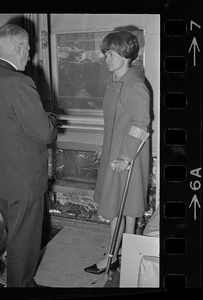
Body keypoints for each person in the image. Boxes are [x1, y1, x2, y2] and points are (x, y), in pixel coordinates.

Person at [0, 24, 58, 287]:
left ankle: (23, 281)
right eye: (28, 49)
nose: (29, 55)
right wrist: (51, 119)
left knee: (16, 235)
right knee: (25, 243)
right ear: (19, 47)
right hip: (23, 180)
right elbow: (45, 133)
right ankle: (21, 285)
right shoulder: (20, 82)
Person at [84, 30, 150, 274]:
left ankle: (113, 256)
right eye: (105, 53)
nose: (106, 58)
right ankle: (122, 250)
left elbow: (141, 125)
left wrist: (125, 156)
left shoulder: (135, 86)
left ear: (125, 55)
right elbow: (115, 123)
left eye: (110, 53)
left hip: (127, 157)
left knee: (122, 208)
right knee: (122, 208)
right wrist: (107, 146)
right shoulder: (115, 82)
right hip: (116, 153)